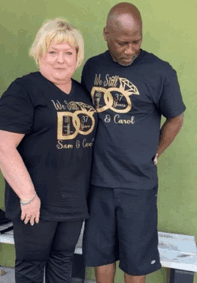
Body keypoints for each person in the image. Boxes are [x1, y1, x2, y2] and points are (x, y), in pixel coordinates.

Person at [81, 3, 185, 283]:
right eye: (122, 43)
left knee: (135, 259)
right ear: (106, 34)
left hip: (138, 184)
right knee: (100, 253)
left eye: (136, 41)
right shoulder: (92, 67)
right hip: (98, 181)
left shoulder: (160, 72)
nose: (129, 50)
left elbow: (176, 117)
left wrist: (156, 151)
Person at [0, 18, 97, 283]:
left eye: (68, 53)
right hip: (36, 204)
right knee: (31, 268)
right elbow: (2, 145)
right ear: (39, 54)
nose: (60, 60)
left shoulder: (82, 93)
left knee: (63, 265)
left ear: (77, 57)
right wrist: (28, 197)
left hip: (73, 203)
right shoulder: (25, 90)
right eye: (52, 52)